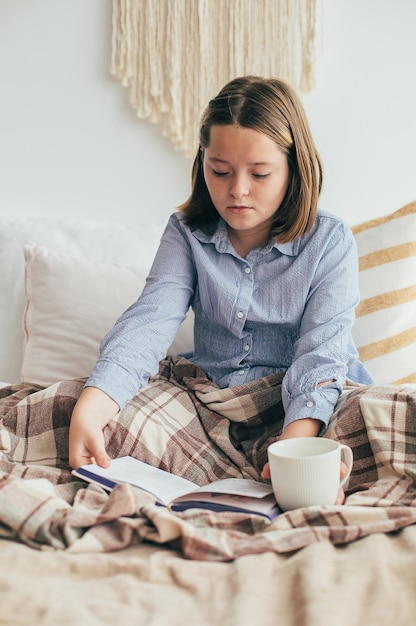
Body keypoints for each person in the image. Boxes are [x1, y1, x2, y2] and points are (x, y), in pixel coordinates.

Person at [68, 75, 373, 494]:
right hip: (213, 404)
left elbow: (322, 354)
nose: (238, 191)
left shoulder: (330, 241)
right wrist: (94, 404)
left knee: (388, 415)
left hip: (310, 402)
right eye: (220, 171)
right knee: (77, 404)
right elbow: (151, 319)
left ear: (293, 170)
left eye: (261, 174)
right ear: (202, 162)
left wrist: (296, 450)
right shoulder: (185, 231)